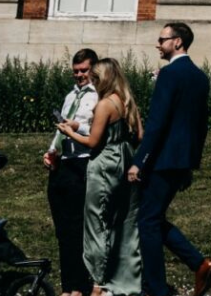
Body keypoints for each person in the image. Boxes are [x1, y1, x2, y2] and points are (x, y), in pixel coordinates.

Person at [129, 22, 211, 296]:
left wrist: (139, 160)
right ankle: (198, 264)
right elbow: (201, 124)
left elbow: (157, 122)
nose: (158, 44)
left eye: (162, 39)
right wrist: (190, 163)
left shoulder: (169, 74)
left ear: (177, 42)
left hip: (162, 159)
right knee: (152, 218)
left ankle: (158, 287)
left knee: (147, 221)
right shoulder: (200, 77)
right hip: (181, 159)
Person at [55, 57, 145, 296]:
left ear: (103, 78)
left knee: (97, 224)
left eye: (94, 78)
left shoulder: (105, 104)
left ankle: (99, 283)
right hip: (124, 159)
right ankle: (125, 280)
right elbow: (139, 137)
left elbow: (93, 142)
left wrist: (68, 132)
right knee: (124, 223)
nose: (92, 83)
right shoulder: (127, 102)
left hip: (104, 162)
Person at [45, 49, 100, 296]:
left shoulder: (99, 95)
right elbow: (61, 129)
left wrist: (78, 125)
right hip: (64, 162)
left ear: (94, 69)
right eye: (76, 71)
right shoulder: (71, 96)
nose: (79, 75)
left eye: (84, 70)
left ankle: (80, 285)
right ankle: (69, 286)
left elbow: (96, 126)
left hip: (83, 161)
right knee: (63, 231)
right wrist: (52, 151)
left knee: (77, 229)